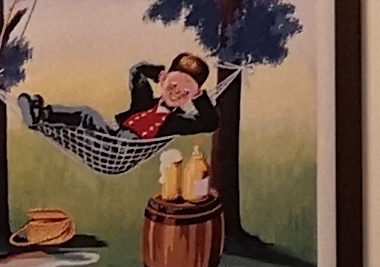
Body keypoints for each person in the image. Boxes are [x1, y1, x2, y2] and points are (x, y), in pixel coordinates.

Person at [14, 47, 229, 176]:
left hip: (120, 153)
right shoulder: (144, 102)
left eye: (185, 93)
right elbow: (137, 72)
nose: (176, 93)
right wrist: (158, 73)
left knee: (126, 137)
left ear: (192, 96)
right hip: (111, 139)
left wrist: (200, 98)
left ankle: (39, 117)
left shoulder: (178, 122)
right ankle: (40, 116)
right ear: (164, 80)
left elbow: (210, 123)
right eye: (173, 85)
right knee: (87, 114)